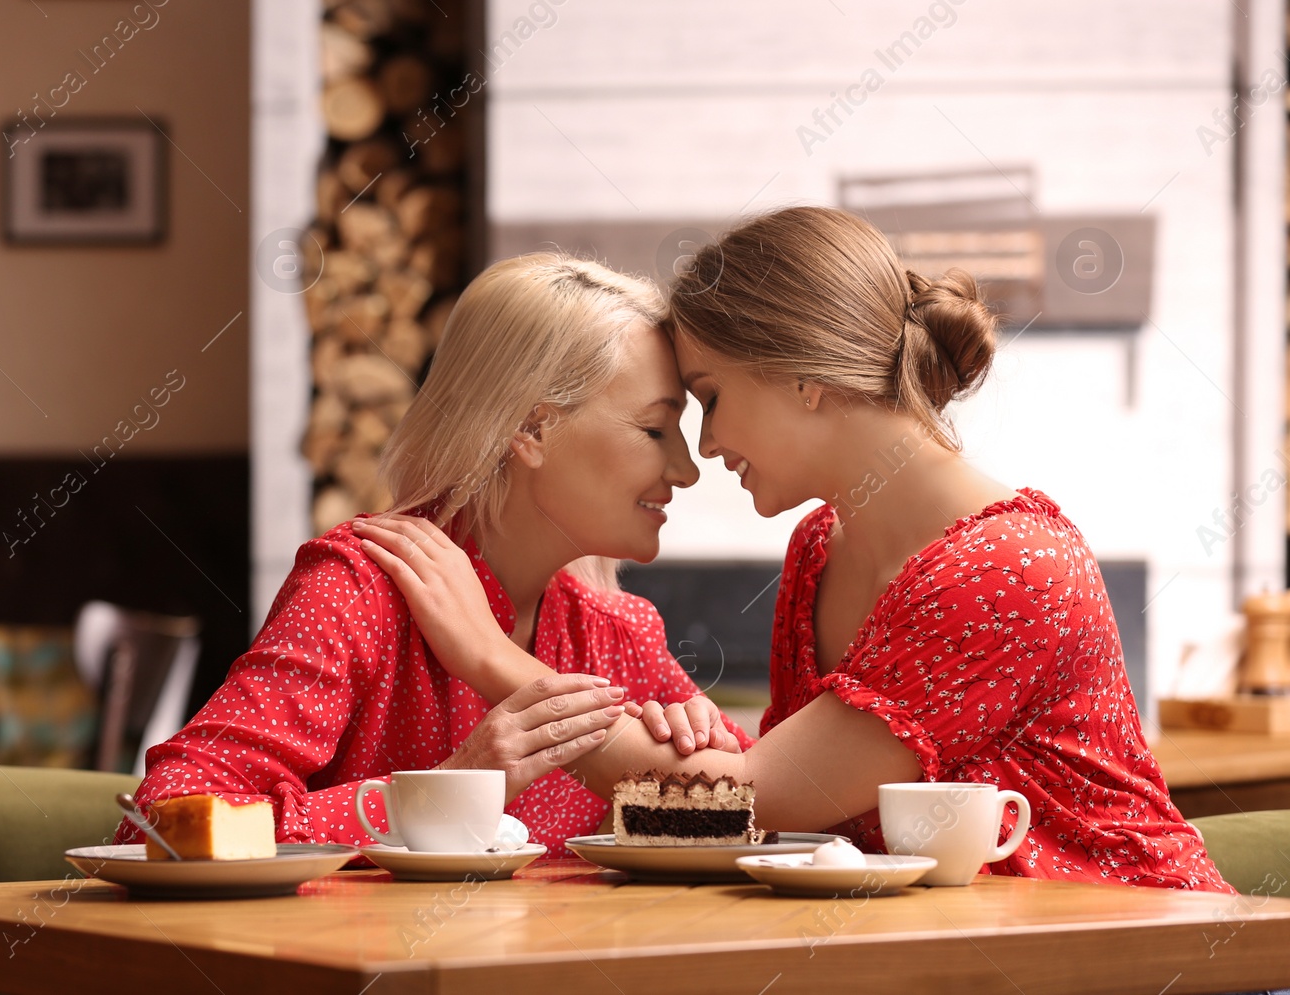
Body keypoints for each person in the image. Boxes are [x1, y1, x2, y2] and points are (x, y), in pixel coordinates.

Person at [358, 206, 1232, 892]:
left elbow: (746, 796)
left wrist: (486, 653)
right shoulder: (820, 549)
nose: (704, 450)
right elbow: (763, 815)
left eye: (708, 397)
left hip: (1135, 948)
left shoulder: (1007, 569)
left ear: (804, 379)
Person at [115, 253, 746, 853]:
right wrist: (442, 792)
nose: (687, 470)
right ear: (531, 428)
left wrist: (696, 750)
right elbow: (159, 823)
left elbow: (755, 814)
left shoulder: (617, 635)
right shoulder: (359, 589)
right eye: (655, 430)